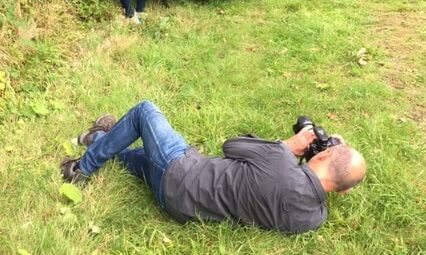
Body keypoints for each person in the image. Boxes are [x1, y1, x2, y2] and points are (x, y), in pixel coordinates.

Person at [60, 101, 366, 234]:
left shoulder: (280, 160)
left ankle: (81, 169)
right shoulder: (314, 218)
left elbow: (230, 146)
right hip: (180, 208)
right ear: (345, 191)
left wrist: (288, 145)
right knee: (142, 157)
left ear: (322, 156)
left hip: (182, 172)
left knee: (144, 111)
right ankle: (100, 137)